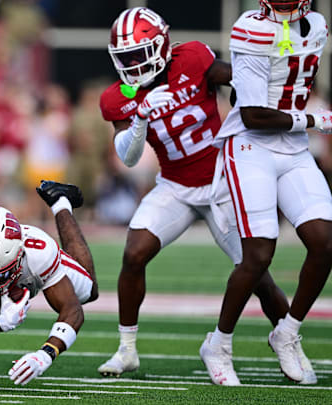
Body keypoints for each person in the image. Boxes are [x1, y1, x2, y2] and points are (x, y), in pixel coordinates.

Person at [97, 7, 296, 379]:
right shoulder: (119, 96)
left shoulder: (191, 58)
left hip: (221, 181)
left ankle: (286, 339)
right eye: (126, 58)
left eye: (140, 54)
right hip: (175, 186)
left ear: (162, 45)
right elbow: (128, 156)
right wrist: (140, 117)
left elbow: (239, 78)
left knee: (257, 273)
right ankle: (126, 350)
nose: (134, 65)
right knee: (134, 253)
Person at [200, 0, 332, 386]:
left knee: (324, 242)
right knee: (258, 255)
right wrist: (314, 120)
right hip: (250, 146)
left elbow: (299, 83)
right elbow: (254, 113)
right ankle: (219, 344)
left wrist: (306, 118)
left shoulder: (318, 24)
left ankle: (286, 333)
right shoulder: (249, 27)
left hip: (293, 149)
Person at [0, 178, 98, 386]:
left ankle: (60, 202)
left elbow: (72, 309)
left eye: (0, 273)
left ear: (19, 252)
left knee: (89, 292)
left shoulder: (38, 252)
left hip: (26, 260)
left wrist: (46, 354)